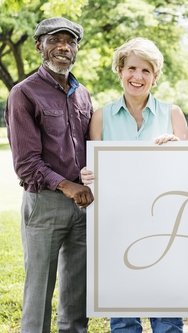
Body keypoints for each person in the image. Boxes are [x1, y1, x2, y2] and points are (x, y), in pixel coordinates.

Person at [81, 37, 188, 332]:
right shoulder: (101, 117)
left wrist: (179, 147)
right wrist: (88, 175)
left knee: (166, 314)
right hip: (118, 226)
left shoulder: (173, 114)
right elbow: (93, 170)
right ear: (120, 70)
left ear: (155, 76)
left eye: (146, 71)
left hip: (165, 227)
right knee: (124, 316)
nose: (137, 77)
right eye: (131, 68)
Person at [5, 17, 94, 332]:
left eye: (70, 42)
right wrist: (67, 186)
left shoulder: (83, 94)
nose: (63, 47)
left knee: (77, 293)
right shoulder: (24, 93)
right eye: (55, 40)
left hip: (83, 205)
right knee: (39, 290)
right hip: (45, 204)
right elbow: (27, 163)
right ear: (38, 45)